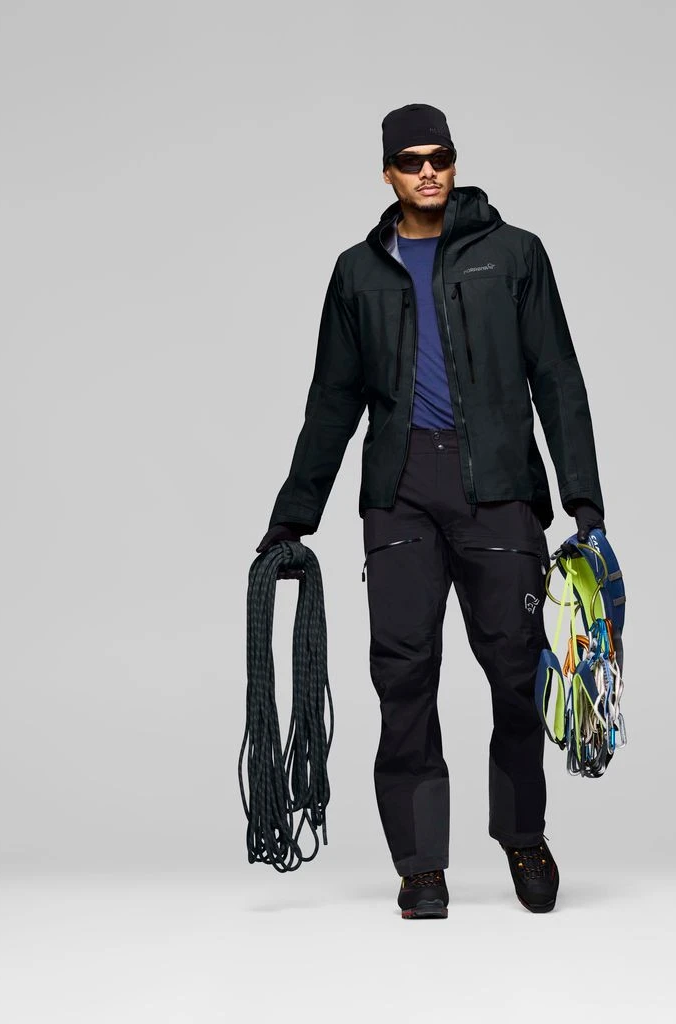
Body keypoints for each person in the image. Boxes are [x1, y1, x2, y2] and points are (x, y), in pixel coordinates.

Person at [257, 103, 606, 918]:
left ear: (454, 163)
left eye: (438, 157)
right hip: (401, 493)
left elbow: (557, 376)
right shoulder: (358, 272)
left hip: (499, 490)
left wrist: (583, 502)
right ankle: (420, 866)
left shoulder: (514, 254)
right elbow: (332, 401)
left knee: (517, 673)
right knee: (404, 676)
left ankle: (523, 834)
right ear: (387, 172)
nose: (426, 171)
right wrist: (294, 514)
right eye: (410, 160)